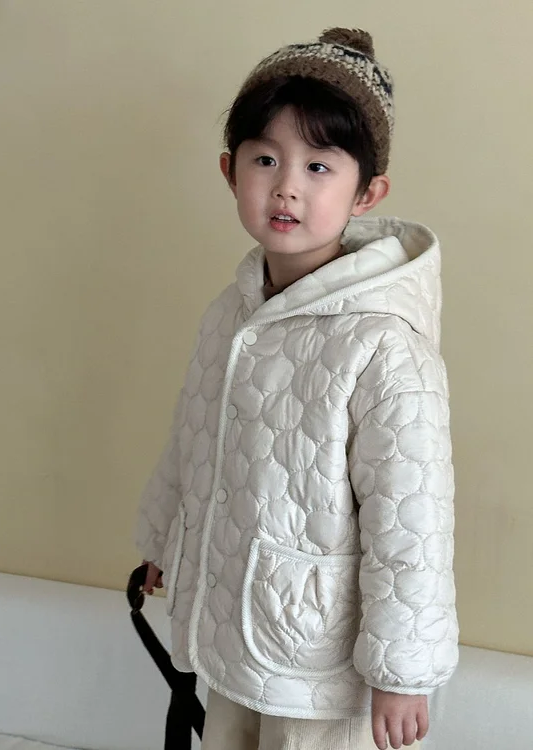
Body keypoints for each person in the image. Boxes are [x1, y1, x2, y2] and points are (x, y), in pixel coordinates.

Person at [134, 27, 459, 750]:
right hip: (233, 621)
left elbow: (412, 519)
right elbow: (194, 435)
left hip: (322, 654)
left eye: (318, 166)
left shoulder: (384, 346)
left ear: (367, 192)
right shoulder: (231, 313)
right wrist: (162, 539)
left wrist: (403, 673)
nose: (287, 185)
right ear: (230, 172)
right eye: (265, 160)